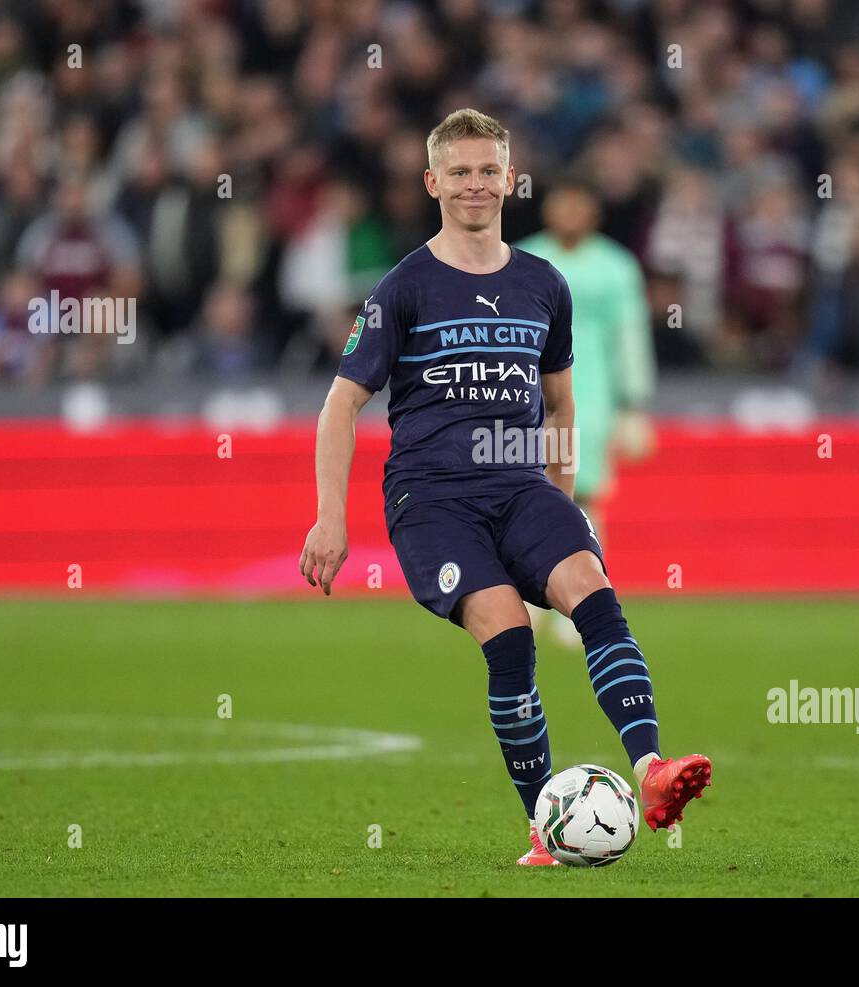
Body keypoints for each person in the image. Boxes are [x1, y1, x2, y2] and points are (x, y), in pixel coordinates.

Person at [298, 109, 710, 865]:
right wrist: (330, 518)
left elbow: (560, 400)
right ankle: (544, 824)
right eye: (460, 172)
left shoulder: (543, 284)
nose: (476, 184)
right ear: (433, 183)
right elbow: (340, 404)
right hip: (432, 500)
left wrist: (558, 493)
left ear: (511, 179)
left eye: (489, 170)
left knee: (593, 587)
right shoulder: (404, 287)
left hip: (522, 486)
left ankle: (651, 768)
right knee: (510, 635)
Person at [515, 177, 657, 647]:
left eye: (580, 203)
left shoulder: (616, 268)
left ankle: (584, 602)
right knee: (524, 499)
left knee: (583, 501)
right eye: (563, 202)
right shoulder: (521, 259)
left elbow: (629, 336)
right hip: (526, 397)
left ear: (593, 212)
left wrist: (633, 405)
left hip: (591, 398)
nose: (571, 213)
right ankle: (531, 600)